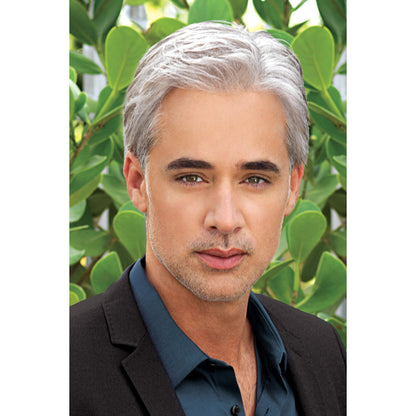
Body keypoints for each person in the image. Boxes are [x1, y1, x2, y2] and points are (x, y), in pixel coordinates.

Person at [70, 21, 346, 416]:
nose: (225, 219)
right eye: (192, 177)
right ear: (137, 182)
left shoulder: (324, 352)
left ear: (292, 187)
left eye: (255, 179)